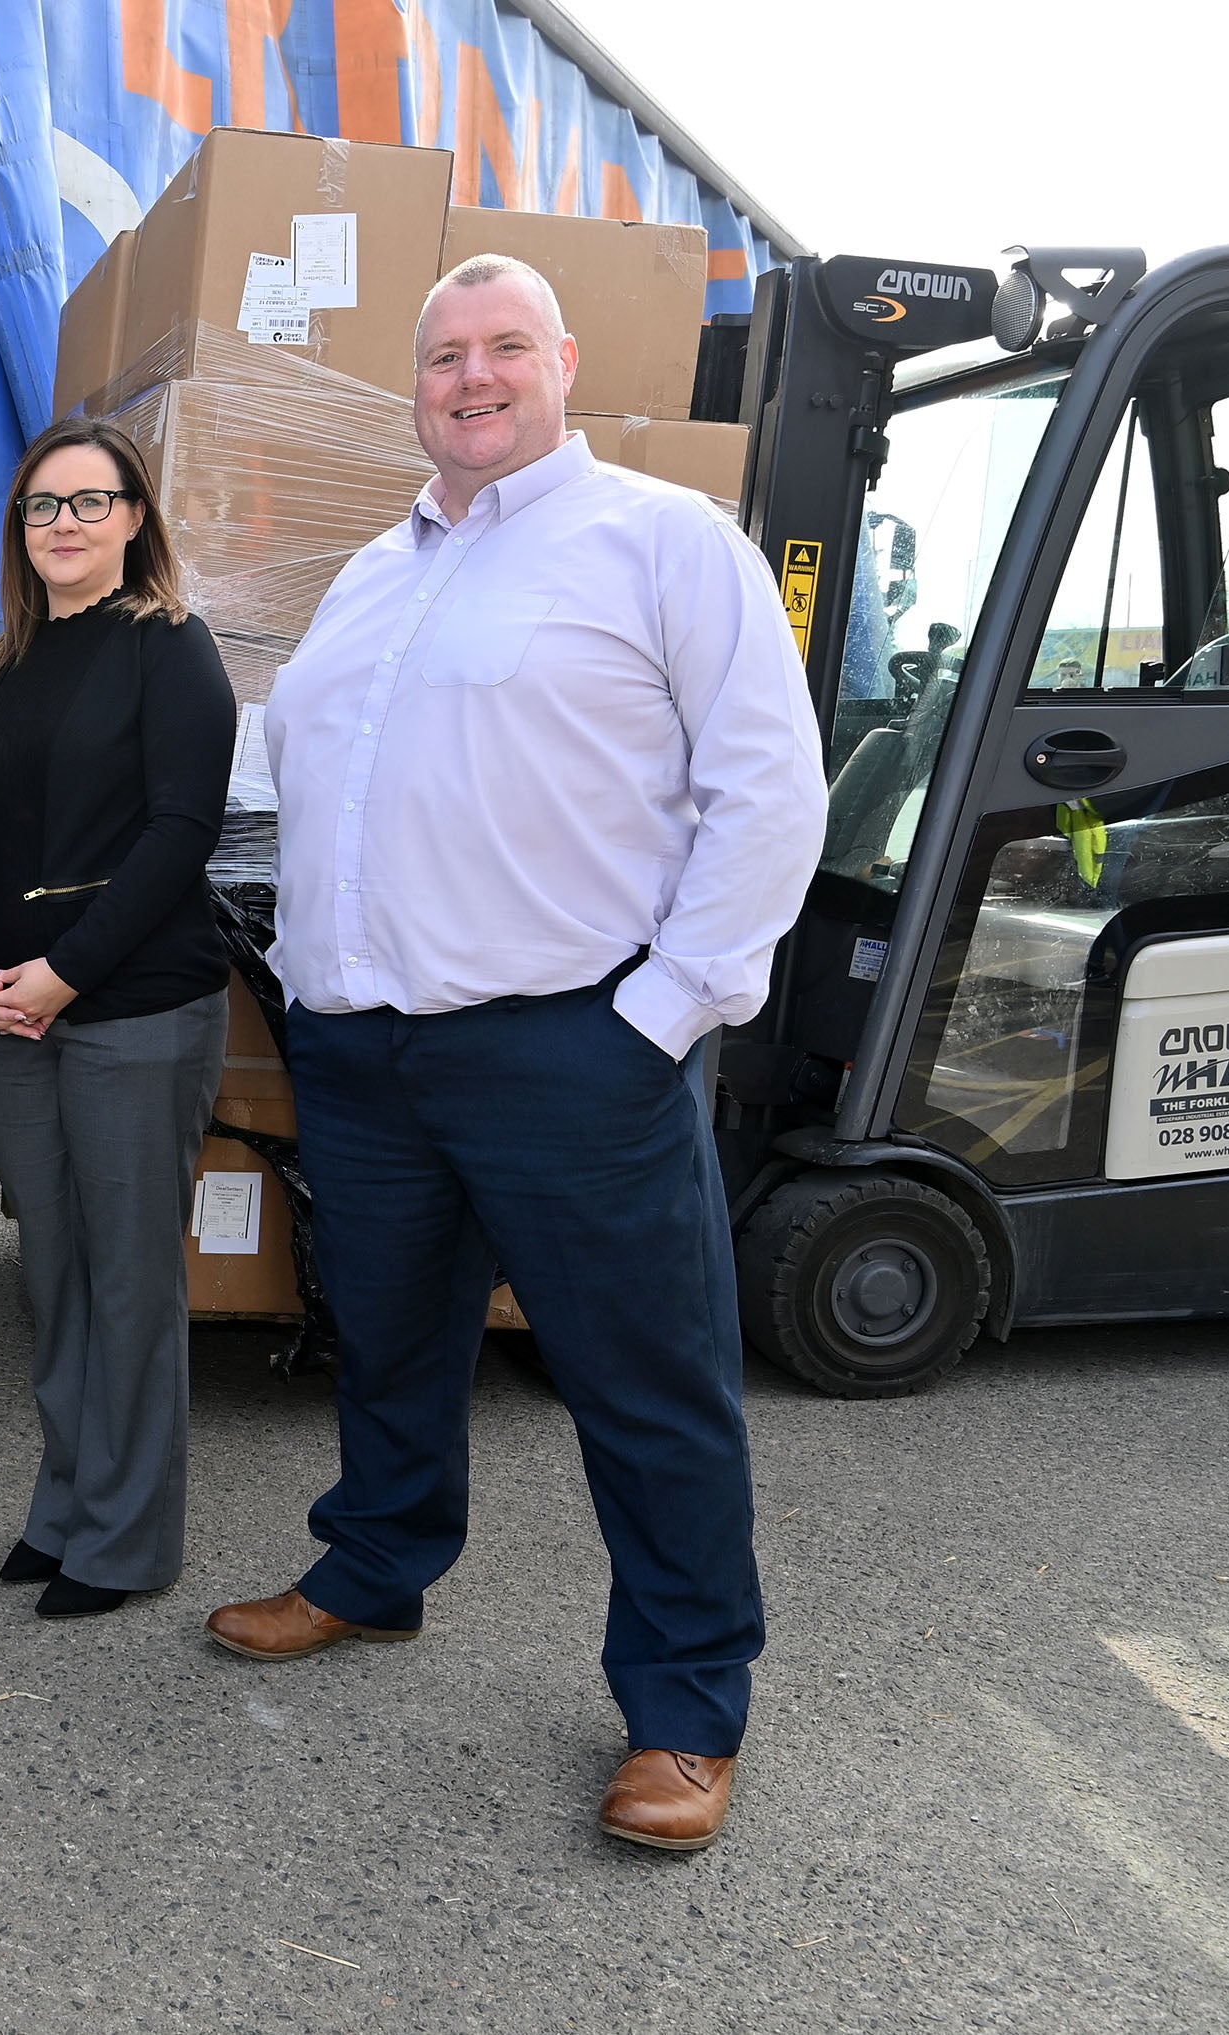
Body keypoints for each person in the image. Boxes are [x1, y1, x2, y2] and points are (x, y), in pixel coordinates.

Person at [209, 255, 828, 1851]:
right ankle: (375, 1569)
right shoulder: (369, 576)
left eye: (500, 349)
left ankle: (688, 1701)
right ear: (412, 386)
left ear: (561, 359)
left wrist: (664, 1012)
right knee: (393, 1340)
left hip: (573, 1046)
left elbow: (770, 787)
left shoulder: (662, 543)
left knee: (646, 1378)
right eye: (440, 357)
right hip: (365, 1048)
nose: (469, 378)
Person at [0, 416, 235, 1619]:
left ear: (135, 517)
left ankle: (129, 1535)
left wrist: (63, 973)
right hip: (11, 1022)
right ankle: (65, 1503)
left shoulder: (173, 651)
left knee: (129, 1279)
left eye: (89, 503)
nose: (64, 525)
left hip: (134, 1011)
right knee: (52, 1272)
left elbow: (179, 835)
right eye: (43, 507)